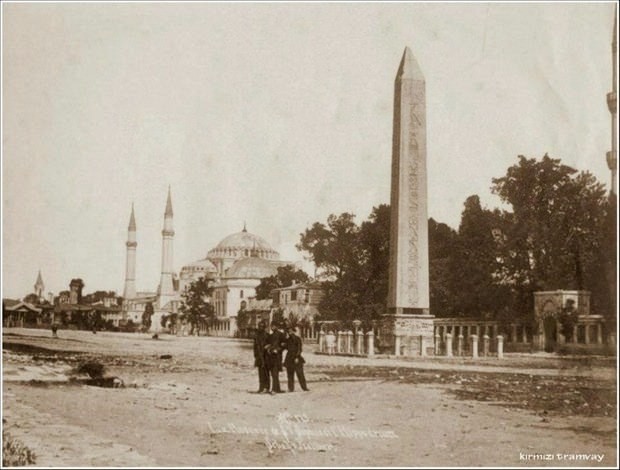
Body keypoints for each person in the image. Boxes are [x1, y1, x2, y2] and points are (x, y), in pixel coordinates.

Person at [284, 326, 309, 392]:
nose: (289, 332)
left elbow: (299, 349)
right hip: (289, 358)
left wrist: (297, 357)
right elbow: (285, 347)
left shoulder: (298, 339)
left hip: (296, 358)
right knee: (290, 374)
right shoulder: (287, 340)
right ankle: (291, 388)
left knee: (300, 374)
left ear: (293, 331)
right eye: (288, 331)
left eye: (290, 331)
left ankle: (304, 387)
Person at [265, 321, 286, 394]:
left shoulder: (281, 335)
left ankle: (274, 389)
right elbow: (269, 344)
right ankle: (278, 389)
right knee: (273, 373)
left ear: (276, 326)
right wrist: (268, 347)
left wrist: (278, 350)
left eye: (273, 326)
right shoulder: (270, 336)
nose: (272, 327)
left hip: (277, 356)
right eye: (271, 326)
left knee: (275, 372)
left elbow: (284, 345)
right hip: (271, 356)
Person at [253, 320, 270, 393]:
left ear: (264, 327)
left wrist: (267, 347)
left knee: (266, 372)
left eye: (262, 327)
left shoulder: (267, 335)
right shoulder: (256, 336)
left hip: (266, 357)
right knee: (260, 373)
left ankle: (267, 387)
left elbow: (270, 344)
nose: (260, 328)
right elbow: (255, 347)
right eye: (259, 326)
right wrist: (256, 355)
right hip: (259, 357)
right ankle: (261, 387)